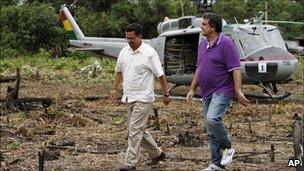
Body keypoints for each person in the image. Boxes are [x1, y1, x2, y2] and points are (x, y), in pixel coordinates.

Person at [186, 13, 250, 171]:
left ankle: (228, 147)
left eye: (204, 24)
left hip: (223, 90)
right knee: (210, 129)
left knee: (213, 119)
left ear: (213, 27)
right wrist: (192, 88)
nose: (201, 26)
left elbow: (235, 69)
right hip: (207, 91)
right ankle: (217, 164)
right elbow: (199, 68)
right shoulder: (203, 43)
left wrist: (238, 91)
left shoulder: (226, 43)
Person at [110, 23, 170, 171]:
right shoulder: (124, 52)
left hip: (144, 97)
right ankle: (157, 154)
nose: (129, 41)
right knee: (139, 130)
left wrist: (166, 94)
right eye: (127, 38)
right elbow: (119, 72)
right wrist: (114, 88)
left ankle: (130, 163)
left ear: (139, 37)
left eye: (131, 38)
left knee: (134, 129)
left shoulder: (149, 53)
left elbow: (160, 75)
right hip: (129, 97)